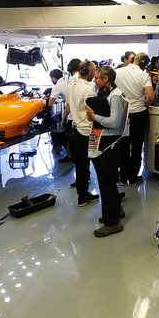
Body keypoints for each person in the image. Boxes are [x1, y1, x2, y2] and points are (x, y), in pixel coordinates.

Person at [86, 66, 128, 237]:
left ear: (106, 79)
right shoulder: (108, 94)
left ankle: (112, 223)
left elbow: (114, 122)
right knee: (107, 180)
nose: (94, 80)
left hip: (111, 142)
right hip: (104, 141)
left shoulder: (116, 96)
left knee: (106, 182)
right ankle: (115, 211)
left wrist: (93, 116)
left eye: (96, 78)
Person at [115, 52, 154, 186]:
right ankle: (133, 178)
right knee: (137, 146)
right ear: (143, 64)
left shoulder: (118, 72)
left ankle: (123, 177)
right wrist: (145, 103)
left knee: (123, 145)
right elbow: (150, 96)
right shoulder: (144, 75)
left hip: (122, 114)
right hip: (138, 113)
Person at [66, 58, 99, 206]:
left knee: (80, 165)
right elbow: (91, 111)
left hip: (74, 127)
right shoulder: (87, 89)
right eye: (94, 70)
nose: (95, 73)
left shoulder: (70, 85)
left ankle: (82, 197)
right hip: (87, 131)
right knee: (98, 164)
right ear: (88, 71)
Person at [48, 69, 71, 163]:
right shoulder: (69, 80)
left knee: (58, 149)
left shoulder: (57, 86)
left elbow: (50, 103)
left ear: (53, 78)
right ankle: (70, 154)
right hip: (73, 111)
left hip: (68, 114)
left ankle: (69, 155)